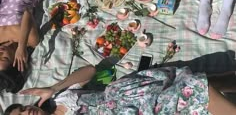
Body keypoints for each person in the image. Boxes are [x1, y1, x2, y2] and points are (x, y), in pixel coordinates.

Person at [4, 65, 236, 115]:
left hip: (129, 93)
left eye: (23, 109)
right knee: (194, 89)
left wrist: (54, 87)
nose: (27, 113)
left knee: (192, 82)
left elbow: (89, 71)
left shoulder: (56, 99)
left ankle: (229, 79)